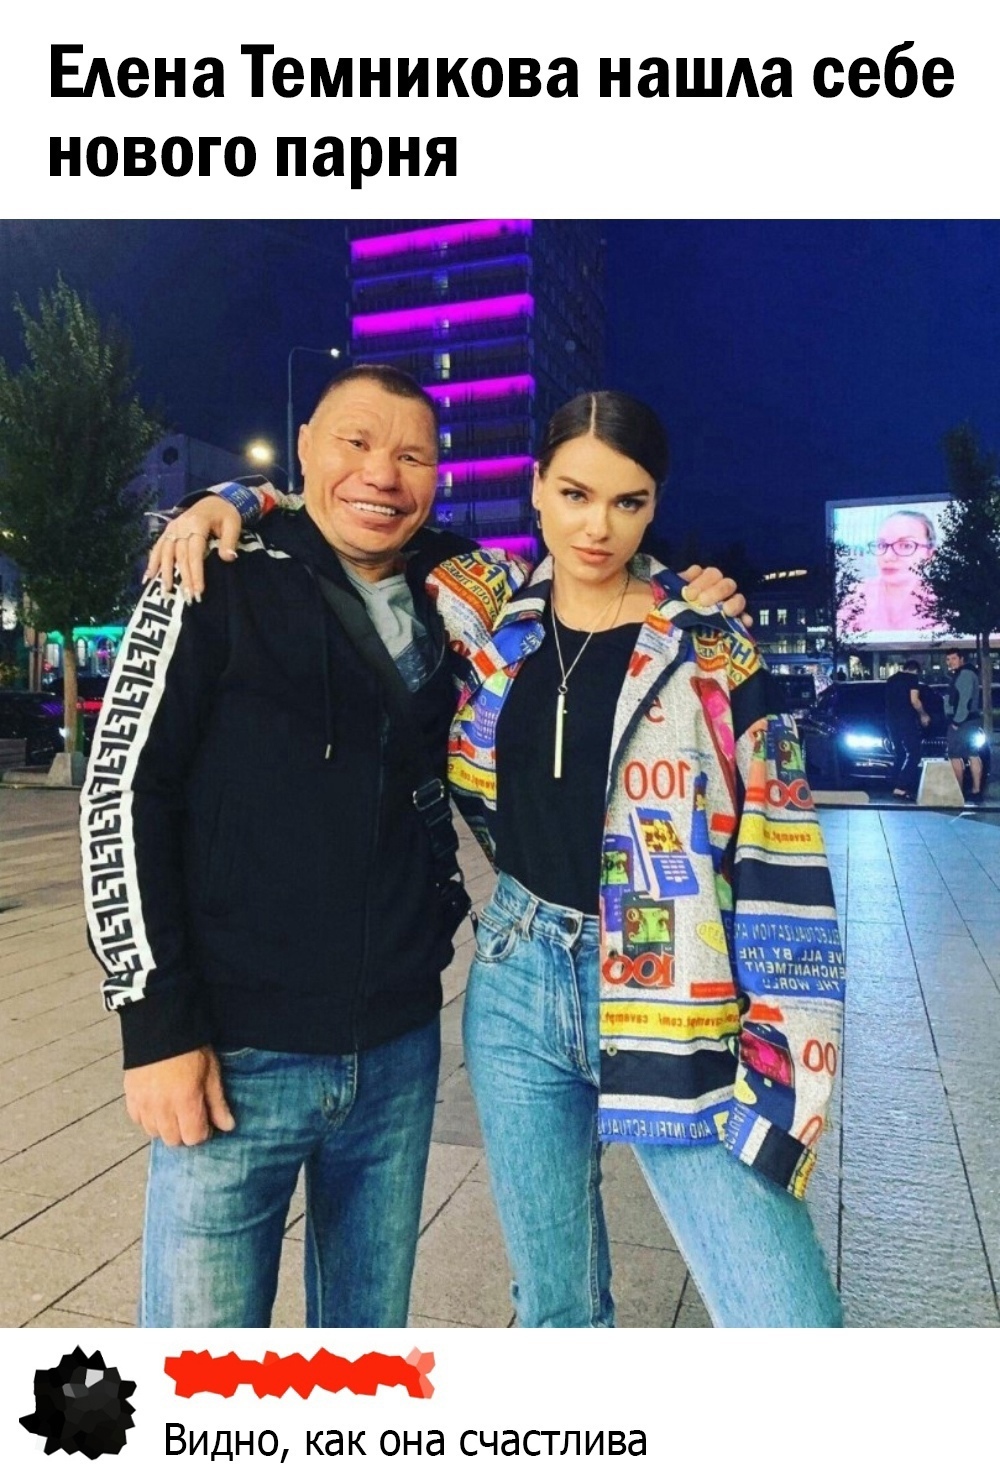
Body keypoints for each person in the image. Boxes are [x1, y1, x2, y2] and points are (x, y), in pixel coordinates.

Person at [83, 364, 743, 1328]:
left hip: (395, 1049)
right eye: (354, 443)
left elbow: (592, 586)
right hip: (233, 1050)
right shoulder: (208, 575)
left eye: (413, 457)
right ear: (304, 447)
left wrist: (690, 593)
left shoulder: (462, 588)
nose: (381, 475)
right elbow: (119, 793)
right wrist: (155, 1026)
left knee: (365, 1351)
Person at [436, 392, 845, 1327]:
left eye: (629, 501)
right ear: (537, 488)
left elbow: (782, 852)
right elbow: (363, 511)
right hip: (515, 979)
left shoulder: (708, 644)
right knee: (557, 1310)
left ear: (655, 503)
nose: (599, 526)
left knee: (789, 1322)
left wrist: (787, 1071)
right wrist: (234, 500)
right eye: (575, 494)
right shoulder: (494, 620)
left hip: (678, 991)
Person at [843, 509, 937, 635]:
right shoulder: (857, 593)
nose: (888, 557)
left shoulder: (943, 599)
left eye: (905, 545)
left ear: (930, 555)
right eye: (882, 545)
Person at [885, 659, 930, 800]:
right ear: (915, 670)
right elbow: (914, 700)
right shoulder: (912, 679)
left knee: (900, 753)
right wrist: (923, 715)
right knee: (915, 753)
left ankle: (893, 782)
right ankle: (901, 787)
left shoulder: (891, 680)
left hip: (891, 721)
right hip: (906, 720)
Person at [944, 648, 985, 801]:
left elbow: (964, 699)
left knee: (955, 755)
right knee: (972, 754)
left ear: (961, 659)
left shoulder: (965, 674)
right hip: (970, 720)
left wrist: (956, 721)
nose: (950, 662)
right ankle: (976, 790)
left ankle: (960, 791)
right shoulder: (967, 673)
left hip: (963, 721)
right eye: (948, 659)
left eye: (953, 658)